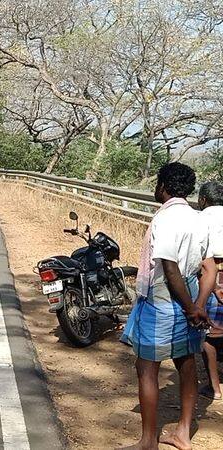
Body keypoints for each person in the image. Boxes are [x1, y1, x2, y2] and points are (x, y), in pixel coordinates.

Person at [120, 162, 209, 450]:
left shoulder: (166, 218)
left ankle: (148, 441)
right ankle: (183, 432)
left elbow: (169, 267)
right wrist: (197, 303)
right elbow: (205, 265)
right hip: (191, 290)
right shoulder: (199, 218)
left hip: (166, 297)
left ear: (164, 186)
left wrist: (189, 307)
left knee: (146, 367)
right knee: (186, 362)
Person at [197, 181, 223, 401]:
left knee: (209, 336)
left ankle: (214, 388)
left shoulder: (201, 219)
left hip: (214, 275)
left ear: (203, 200)